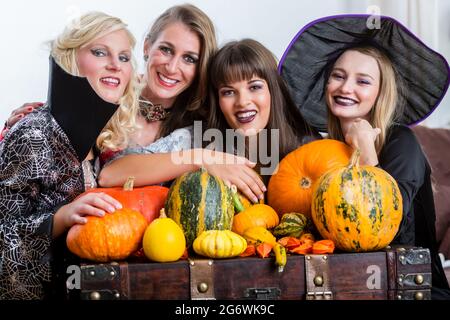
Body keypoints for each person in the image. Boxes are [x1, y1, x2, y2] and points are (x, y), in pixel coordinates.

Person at [3, 4, 265, 203]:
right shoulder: (110, 90)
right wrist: (46, 111)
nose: (173, 67)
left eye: (190, 59)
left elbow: (257, 137)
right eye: (166, 50)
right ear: (147, 46)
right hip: (79, 238)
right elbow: (103, 172)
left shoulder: (200, 124)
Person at [279, 15, 450, 299]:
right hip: (347, 286)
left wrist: (365, 147)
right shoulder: (323, 152)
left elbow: (389, 233)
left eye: (363, 81)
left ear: (380, 93)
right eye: (338, 76)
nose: (346, 88)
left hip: (411, 289)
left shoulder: (401, 143)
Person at [0, 12, 139, 300]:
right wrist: (60, 218)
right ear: (70, 60)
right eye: (100, 52)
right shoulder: (33, 134)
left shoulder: (102, 138)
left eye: (124, 57)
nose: (115, 64)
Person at [206, 39, 319, 183]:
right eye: (228, 92)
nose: (242, 102)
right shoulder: (208, 151)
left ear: (273, 90)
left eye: (254, 87)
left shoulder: (308, 148)